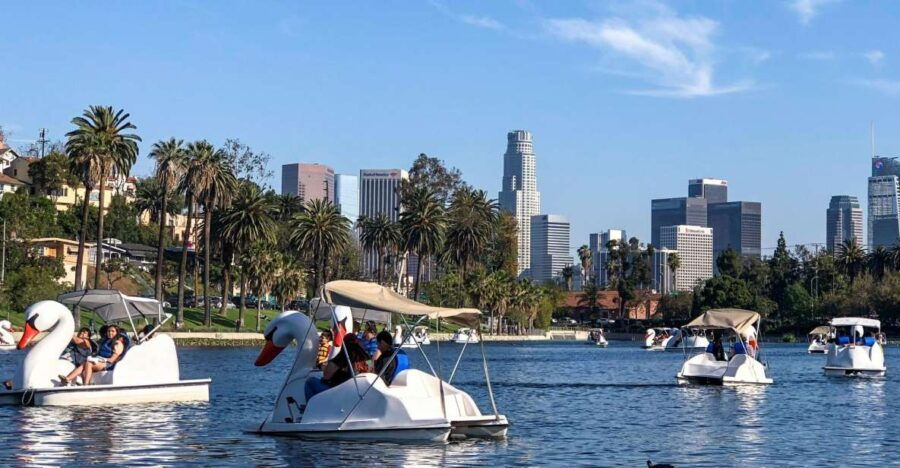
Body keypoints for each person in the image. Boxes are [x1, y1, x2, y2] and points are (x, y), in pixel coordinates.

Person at [305, 335, 370, 401]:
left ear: (344, 343)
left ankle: (311, 408)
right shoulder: (367, 357)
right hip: (358, 394)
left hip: (339, 394)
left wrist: (327, 366)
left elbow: (326, 376)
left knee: (310, 381)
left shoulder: (344, 355)